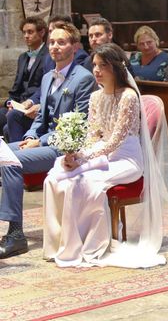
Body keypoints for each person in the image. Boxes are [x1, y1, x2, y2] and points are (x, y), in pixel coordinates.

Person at [42, 43, 168, 268]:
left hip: (127, 159)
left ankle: (90, 244)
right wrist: (76, 154)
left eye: (103, 65)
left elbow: (115, 141)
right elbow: (94, 136)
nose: (96, 70)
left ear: (116, 67)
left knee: (84, 184)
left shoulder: (129, 97)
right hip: (101, 155)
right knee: (55, 176)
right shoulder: (95, 98)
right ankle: (62, 243)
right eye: (94, 65)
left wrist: (84, 159)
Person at [0, 23, 96, 259]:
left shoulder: (83, 79)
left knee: (10, 161)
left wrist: (40, 141)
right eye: (52, 42)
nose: (55, 46)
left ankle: (16, 235)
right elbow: (41, 117)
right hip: (42, 141)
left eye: (61, 42)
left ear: (74, 46)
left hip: (63, 147)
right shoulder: (46, 78)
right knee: (4, 152)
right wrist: (31, 135)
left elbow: (78, 126)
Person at [1, 17, 47, 142]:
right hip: (19, 103)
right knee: (2, 113)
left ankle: (19, 156)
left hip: (34, 105)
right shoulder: (22, 57)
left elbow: (45, 87)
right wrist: (9, 103)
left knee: (12, 117)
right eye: (24, 32)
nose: (26, 36)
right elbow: (16, 88)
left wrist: (30, 102)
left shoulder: (49, 55)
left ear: (42, 32)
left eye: (30, 32)